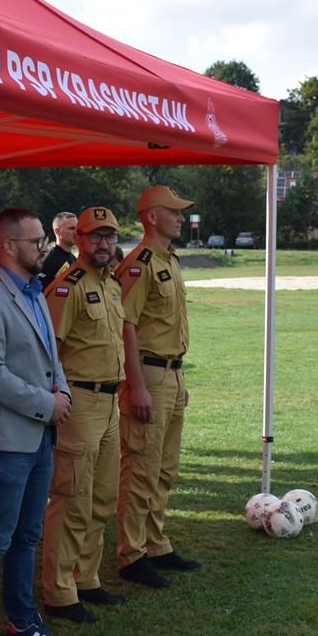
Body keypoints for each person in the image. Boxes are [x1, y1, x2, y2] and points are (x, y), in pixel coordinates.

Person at [0, 207, 74, 636]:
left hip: (38, 438)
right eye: (36, 241)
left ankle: (22, 621)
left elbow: (51, 356)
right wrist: (47, 404)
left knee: (27, 535)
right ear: (8, 246)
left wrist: (63, 392)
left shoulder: (33, 291)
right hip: (7, 441)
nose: (44, 247)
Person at [41, 206, 129, 624]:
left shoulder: (110, 283)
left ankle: (86, 578)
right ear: (78, 239)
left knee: (102, 497)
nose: (104, 244)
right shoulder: (67, 287)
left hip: (110, 403)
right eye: (95, 236)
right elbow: (48, 353)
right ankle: (59, 592)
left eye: (110, 237)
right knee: (73, 498)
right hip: (79, 403)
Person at [113, 185, 202, 590]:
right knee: (141, 468)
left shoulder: (169, 259)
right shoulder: (140, 263)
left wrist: (178, 380)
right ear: (152, 217)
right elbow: (126, 326)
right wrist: (136, 386)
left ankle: (155, 543)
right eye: (174, 211)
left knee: (165, 467)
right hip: (148, 374)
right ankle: (132, 554)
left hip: (171, 374)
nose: (181, 218)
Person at [39, 211, 77, 290]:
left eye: (77, 228)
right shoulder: (48, 259)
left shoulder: (75, 259)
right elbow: (39, 291)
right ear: (57, 231)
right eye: (71, 228)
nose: (76, 232)